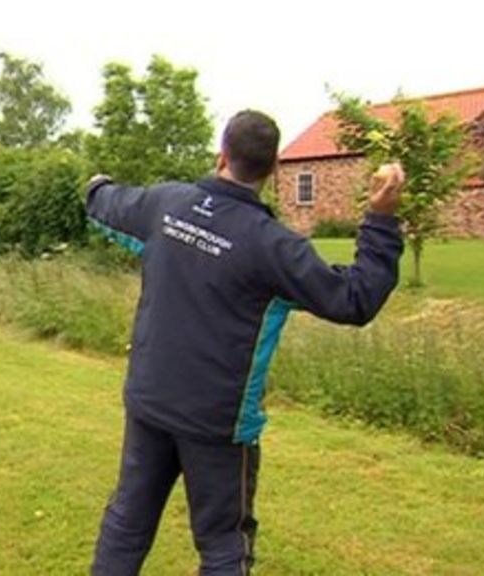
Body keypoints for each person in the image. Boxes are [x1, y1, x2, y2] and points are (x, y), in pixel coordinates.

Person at [86, 110, 405, 576]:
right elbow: (353, 298)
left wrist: (97, 184)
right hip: (218, 421)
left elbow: (105, 205)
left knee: (128, 521)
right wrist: (380, 218)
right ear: (273, 168)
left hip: (151, 400)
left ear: (222, 154)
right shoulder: (273, 247)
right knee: (223, 544)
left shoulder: (166, 205)